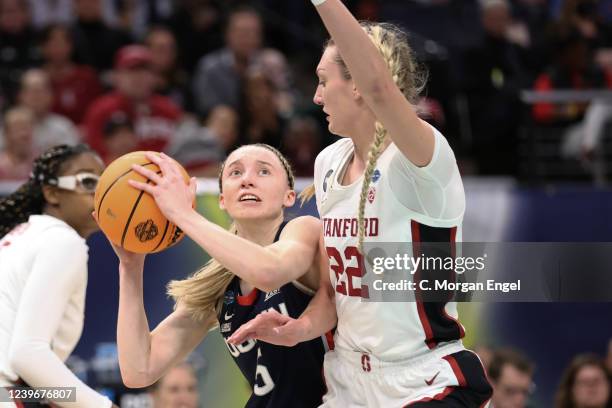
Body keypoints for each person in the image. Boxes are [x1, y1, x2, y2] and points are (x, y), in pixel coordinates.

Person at [230, 0, 493, 406]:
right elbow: (337, 293)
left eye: (322, 80)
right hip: (347, 384)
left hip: (423, 380)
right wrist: (299, 329)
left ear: (357, 85)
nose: (316, 97)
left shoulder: (419, 158)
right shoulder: (328, 163)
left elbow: (380, 90)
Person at [108, 144, 330, 407]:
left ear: (288, 196)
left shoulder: (303, 230)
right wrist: (130, 268)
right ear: (222, 200)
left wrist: (182, 214)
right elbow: (138, 370)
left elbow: (269, 270)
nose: (247, 179)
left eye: (263, 171)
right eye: (236, 173)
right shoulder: (221, 286)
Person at [0, 144, 115, 407]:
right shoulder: (62, 240)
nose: (100, 193)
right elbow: (27, 354)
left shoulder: (21, 236)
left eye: (105, 184)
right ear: (52, 193)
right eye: (88, 182)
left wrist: (61, 397)